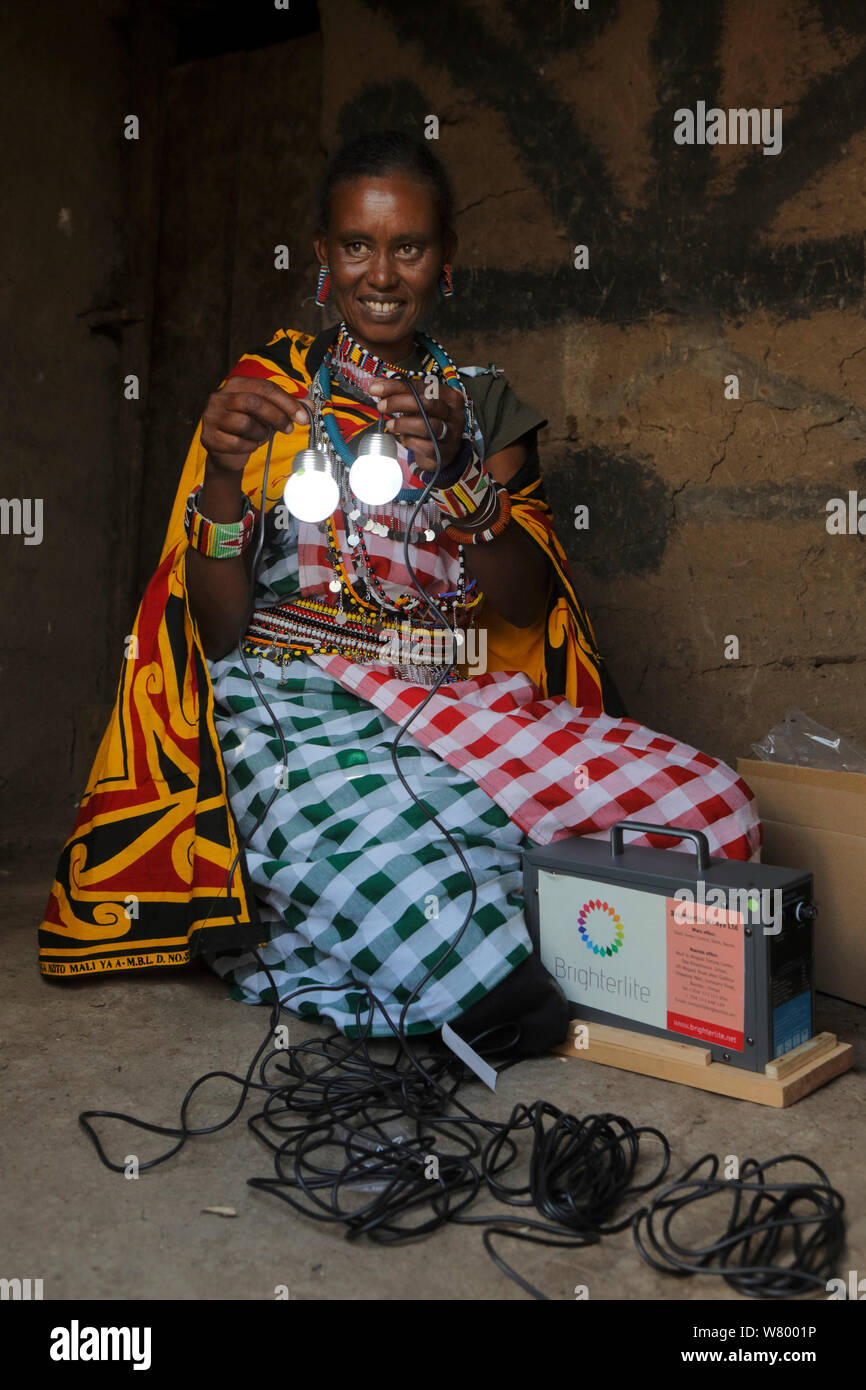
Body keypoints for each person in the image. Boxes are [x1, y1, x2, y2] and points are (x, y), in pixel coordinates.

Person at [39, 132, 760, 1056]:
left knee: (720, 810)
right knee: (482, 969)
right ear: (322, 259)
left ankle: (359, 879)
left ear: (445, 260)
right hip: (295, 705)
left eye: (409, 247)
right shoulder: (263, 392)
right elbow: (217, 632)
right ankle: (417, 887)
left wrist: (460, 471)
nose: (381, 273)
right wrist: (223, 475)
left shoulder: (484, 406)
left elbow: (527, 605)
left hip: (454, 696)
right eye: (356, 246)